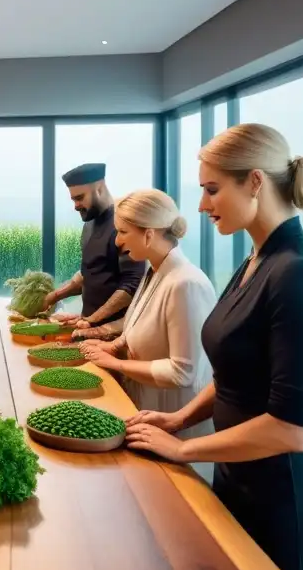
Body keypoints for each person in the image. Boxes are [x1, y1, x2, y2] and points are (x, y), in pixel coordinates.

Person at [125, 124, 303, 570]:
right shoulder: (256, 259)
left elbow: (291, 429)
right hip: (243, 479)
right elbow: (235, 373)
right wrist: (179, 418)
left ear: (254, 181)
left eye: (211, 189)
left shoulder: (297, 273)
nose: (202, 207)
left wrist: (183, 448)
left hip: (291, 501)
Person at [77, 189, 216, 480]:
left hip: (177, 433)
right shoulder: (154, 272)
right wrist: (111, 344)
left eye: (123, 232)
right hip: (147, 417)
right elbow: (135, 325)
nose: (117, 241)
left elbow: (182, 372)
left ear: (149, 234)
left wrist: (113, 363)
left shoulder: (185, 284)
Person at [43, 163, 146, 337]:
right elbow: (89, 275)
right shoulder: (89, 225)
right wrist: (54, 296)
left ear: (99, 188)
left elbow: (132, 284)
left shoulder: (123, 224)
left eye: (80, 197)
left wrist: (92, 320)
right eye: (73, 199)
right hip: (88, 331)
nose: (76, 205)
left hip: (116, 336)